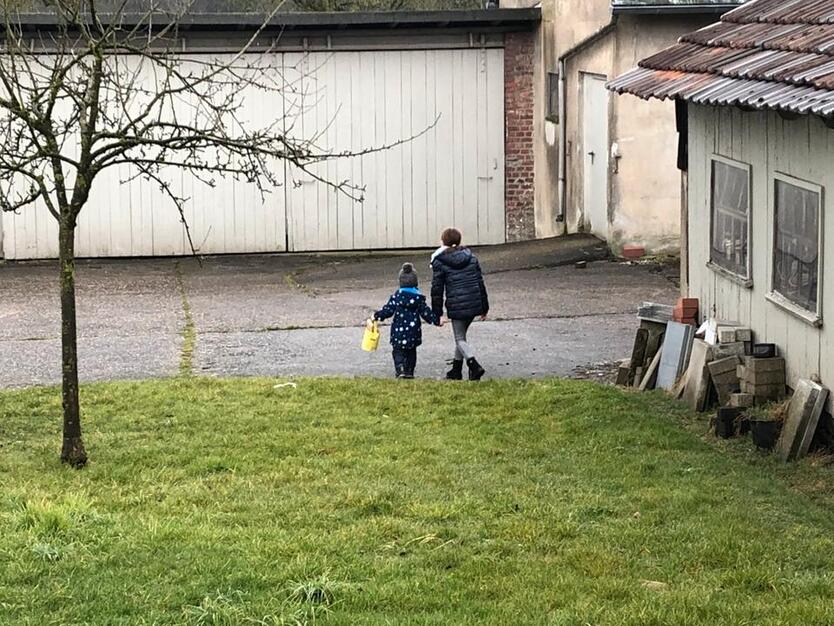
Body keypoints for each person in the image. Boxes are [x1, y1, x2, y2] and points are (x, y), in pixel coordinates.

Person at [430, 228, 489, 381]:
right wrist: (484, 307)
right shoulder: (471, 257)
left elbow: (437, 289)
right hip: (475, 302)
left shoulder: (440, 261)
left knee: (459, 339)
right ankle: (456, 371)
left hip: (457, 305)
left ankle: (474, 366)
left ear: (443, 242)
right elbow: (480, 282)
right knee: (461, 337)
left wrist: (437, 313)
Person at [373, 262, 441, 379]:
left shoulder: (397, 297)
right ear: (415, 282)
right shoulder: (418, 298)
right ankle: (409, 371)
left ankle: (400, 369)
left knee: (398, 351)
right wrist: (436, 320)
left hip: (398, 332)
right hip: (413, 332)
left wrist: (377, 316)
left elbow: (388, 310)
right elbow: (426, 312)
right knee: (411, 352)